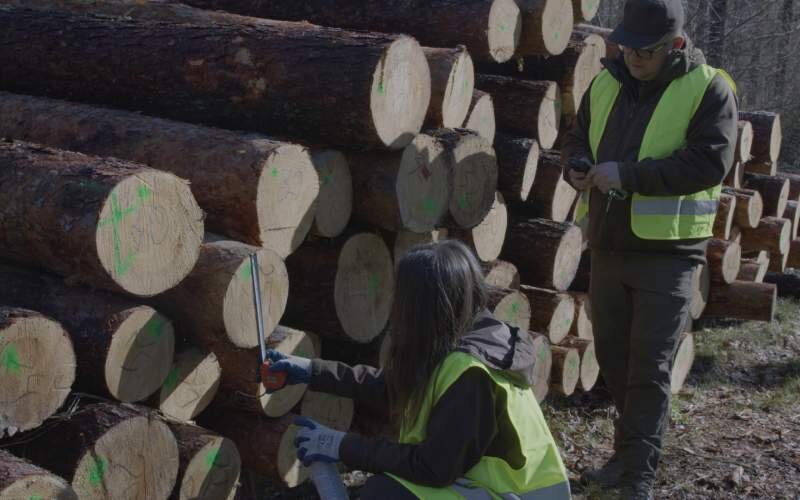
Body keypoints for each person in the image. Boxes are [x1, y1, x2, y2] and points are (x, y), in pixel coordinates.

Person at [562, 0, 738, 498]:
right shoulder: (605, 82)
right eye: (628, 46)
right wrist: (575, 164)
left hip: (670, 254)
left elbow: (707, 164)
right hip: (610, 245)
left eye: (647, 50)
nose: (634, 56)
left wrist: (629, 176)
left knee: (649, 365)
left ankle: (638, 477)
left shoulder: (710, 88)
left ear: (675, 45)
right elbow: (576, 139)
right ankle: (625, 458)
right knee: (614, 359)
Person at [266, 239, 570, 499]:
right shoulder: (474, 335)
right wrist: (308, 370)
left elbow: (431, 467)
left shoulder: (471, 373)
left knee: (385, 494)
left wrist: (340, 445)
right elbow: (392, 387)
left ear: (422, 306)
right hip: (498, 490)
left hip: (517, 495)